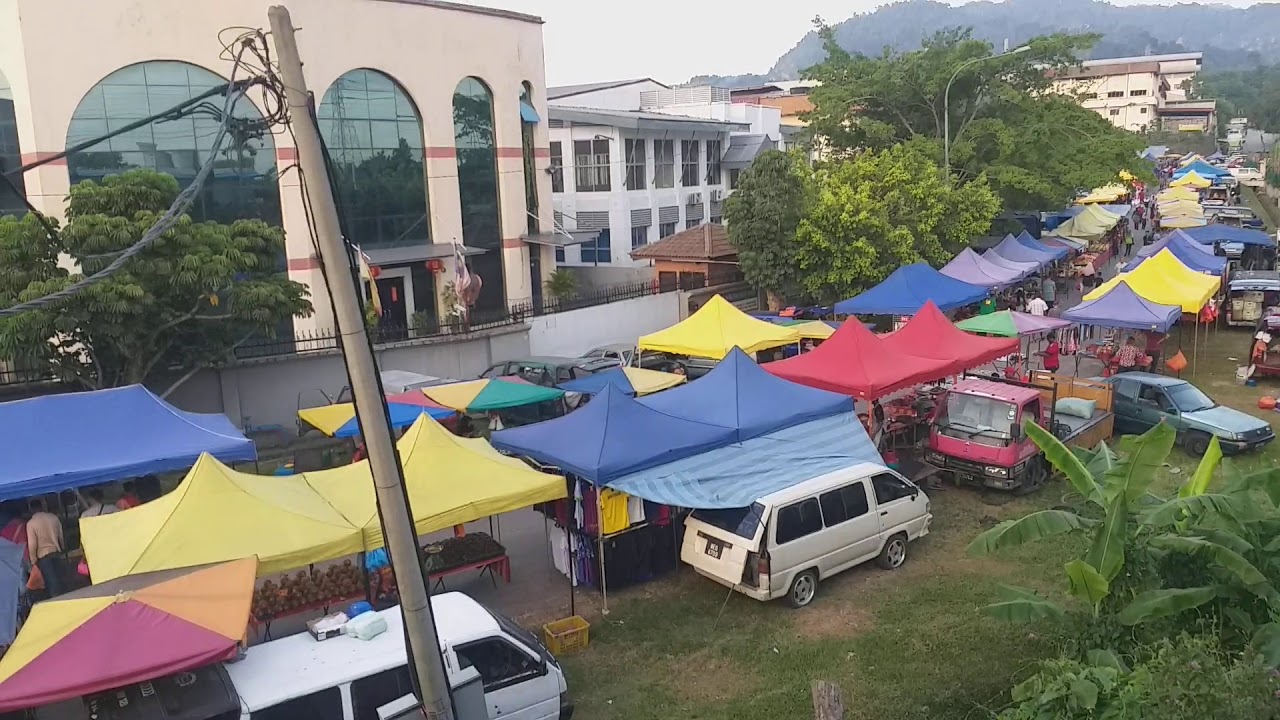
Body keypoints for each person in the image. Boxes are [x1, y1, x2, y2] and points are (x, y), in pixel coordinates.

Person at [26, 498, 65, 597]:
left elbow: (32, 543)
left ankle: (56, 603)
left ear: (31, 509)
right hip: (56, 551)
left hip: (43, 556)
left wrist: (33, 560)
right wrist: (62, 548)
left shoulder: (31, 524)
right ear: (42, 506)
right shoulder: (53, 517)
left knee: (51, 583)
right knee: (60, 579)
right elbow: (61, 536)